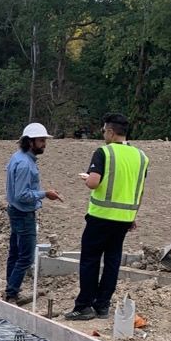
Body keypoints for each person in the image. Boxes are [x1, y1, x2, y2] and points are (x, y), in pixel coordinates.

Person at [65, 113, 149, 321]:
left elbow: (94, 182)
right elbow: (138, 189)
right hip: (124, 218)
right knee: (112, 261)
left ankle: (84, 306)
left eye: (104, 131)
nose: (103, 134)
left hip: (101, 216)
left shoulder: (104, 152)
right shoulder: (141, 157)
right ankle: (102, 305)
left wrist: (87, 179)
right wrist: (132, 215)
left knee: (90, 260)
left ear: (111, 132)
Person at [4, 122, 63, 306]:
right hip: (23, 213)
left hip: (15, 211)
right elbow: (22, 195)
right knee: (26, 257)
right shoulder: (25, 164)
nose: (44, 144)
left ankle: (11, 288)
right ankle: (12, 294)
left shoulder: (18, 157)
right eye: (41, 140)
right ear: (30, 142)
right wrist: (44, 194)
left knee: (15, 252)